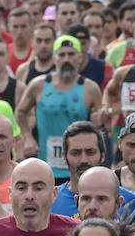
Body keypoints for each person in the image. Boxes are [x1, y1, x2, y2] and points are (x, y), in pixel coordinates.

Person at [15, 35, 104, 181]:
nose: (66, 59)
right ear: (55, 58)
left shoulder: (90, 88)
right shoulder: (39, 85)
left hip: (79, 169)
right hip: (45, 166)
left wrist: (101, 123)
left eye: (71, 54)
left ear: (80, 57)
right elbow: (20, 112)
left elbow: (101, 130)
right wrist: (28, 137)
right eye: (61, 54)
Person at [51, 120, 135, 229]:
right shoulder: (52, 200)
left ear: (103, 155)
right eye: (75, 153)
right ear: (64, 156)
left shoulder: (129, 200)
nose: (83, 160)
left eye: (90, 152)